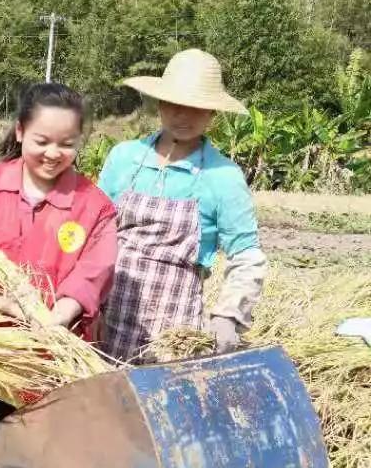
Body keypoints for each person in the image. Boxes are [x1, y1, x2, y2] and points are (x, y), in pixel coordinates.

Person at [0, 82, 116, 464]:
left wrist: (57, 317)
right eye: (42, 140)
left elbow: (95, 269)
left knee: (46, 465)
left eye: (67, 143)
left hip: (51, 360)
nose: (54, 153)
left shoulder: (95, 206)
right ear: (21, 131)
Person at [97, 48, 267, 364]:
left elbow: (246, 256)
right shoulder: (124, 157)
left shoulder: (224, 176)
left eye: (196, 108)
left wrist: (229, 315)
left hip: (174, 328)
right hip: (108, 315)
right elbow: (94, 232)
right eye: (174, 104)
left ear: (213, 113)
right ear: (160, 104)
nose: (183, 116)